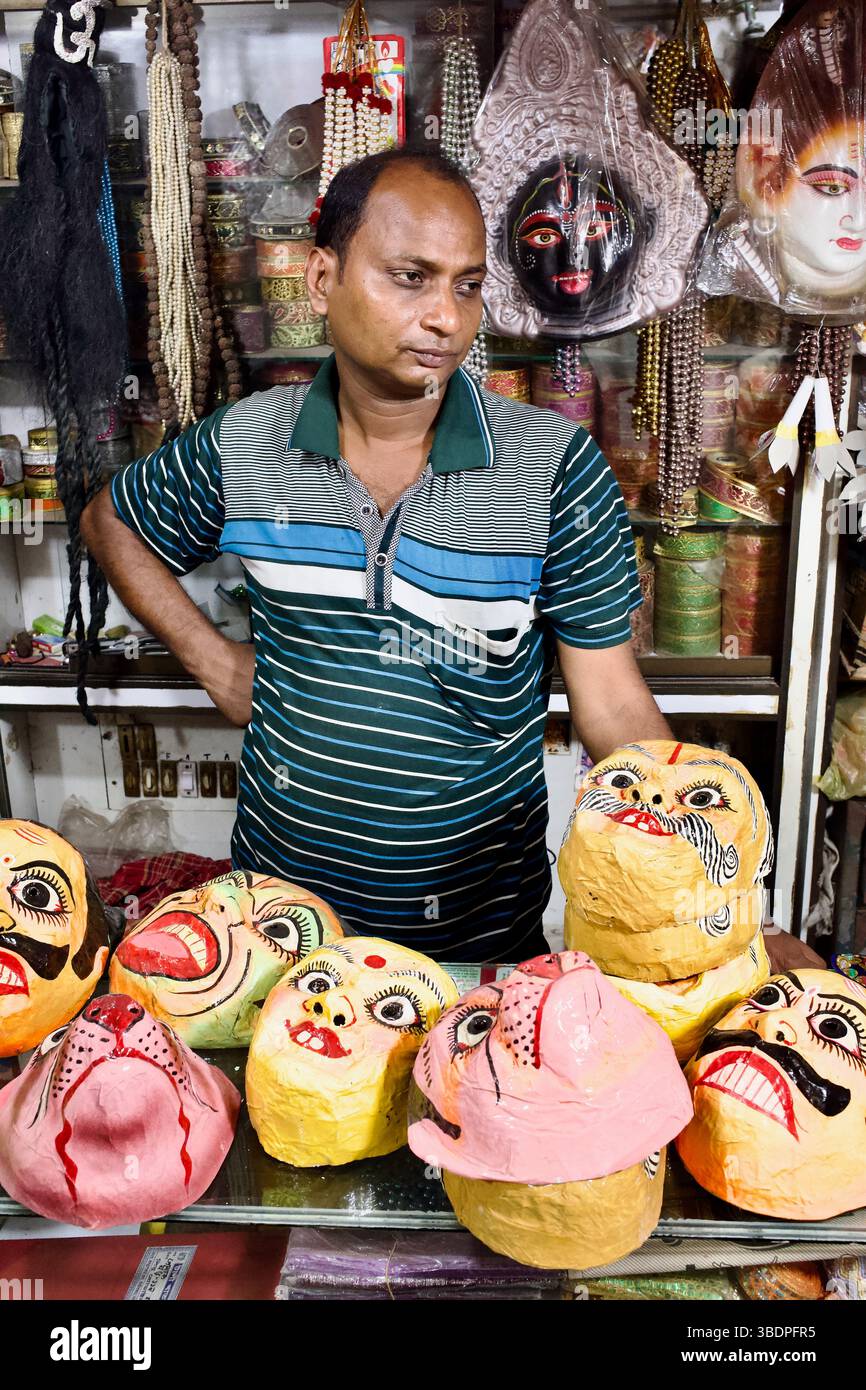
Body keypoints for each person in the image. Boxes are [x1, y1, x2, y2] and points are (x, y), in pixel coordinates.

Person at [81, 146, 671, 963]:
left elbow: (610, 705)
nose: (448, 319)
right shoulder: (250, 442)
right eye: (411, 277)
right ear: (322, 279)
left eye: (467, 286)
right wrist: (215, 662)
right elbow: (111, 521)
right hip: (281, 935)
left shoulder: (553, 469)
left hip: (476, 947)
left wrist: (708, 869)